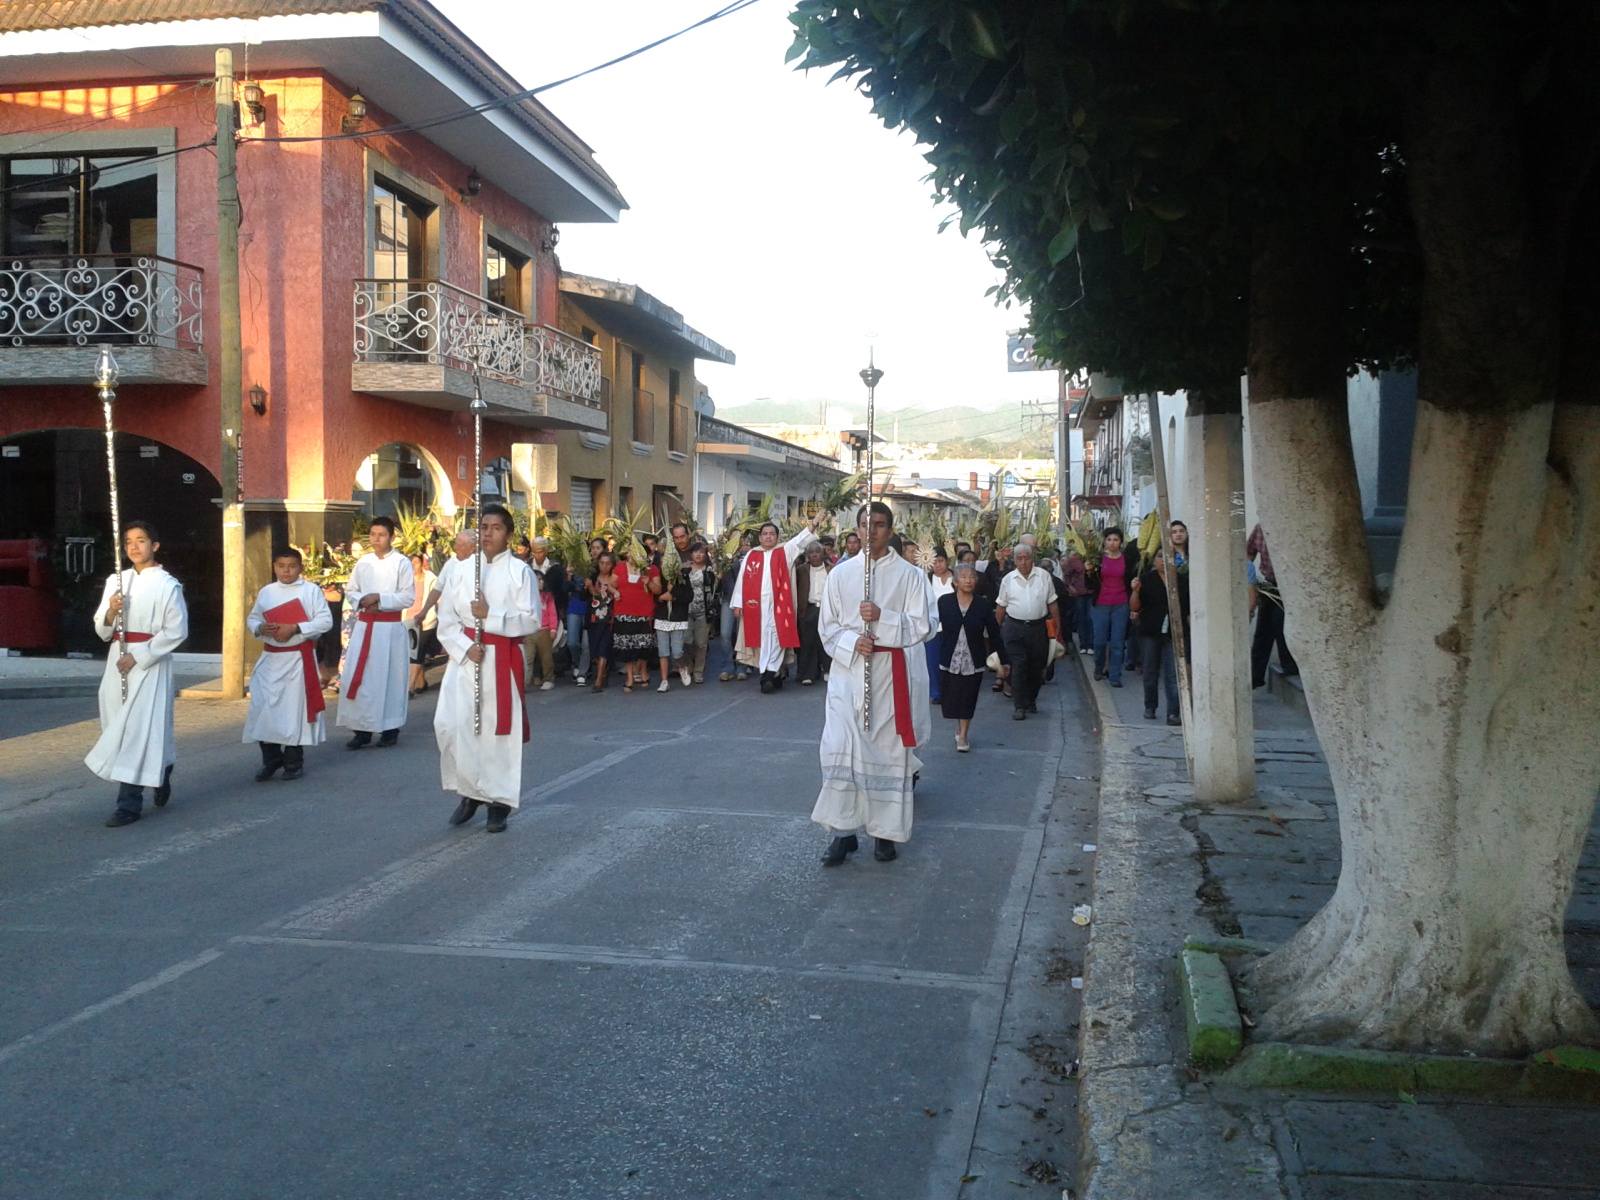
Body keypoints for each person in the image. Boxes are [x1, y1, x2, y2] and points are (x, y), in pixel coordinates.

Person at [812, 503, 937, 865]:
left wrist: (883, 618)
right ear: (857, 530)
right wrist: (854, 642)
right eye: (866, 525)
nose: (872, 531)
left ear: (890, 530)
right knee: (840, 748)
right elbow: (828, 627)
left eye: (880, 525)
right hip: (847, 675)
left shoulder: (911, 576)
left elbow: (924, 625)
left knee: (885, 754)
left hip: (889, 675)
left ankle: (884, 833)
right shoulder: (841, 574)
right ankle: (843, 832)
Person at [435, 503, 540, 834]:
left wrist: (490, 616)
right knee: (453, 726)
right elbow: (446, 617)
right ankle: (469, 792)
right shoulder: (462, 569)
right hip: (466, 657)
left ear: (509, 535)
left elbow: (532, 620)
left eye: (496, 528)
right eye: (483, 527)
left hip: (501, 657)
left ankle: (498, 802)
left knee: (496, 732)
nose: (488, 533)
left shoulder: (520, 572)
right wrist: (464, 647)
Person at [88, 521, 189, 827]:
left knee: (136, 730)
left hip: (149, 663)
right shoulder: (116, 581)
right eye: (129, 541)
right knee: (120, 725)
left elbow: (177, 630)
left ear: (154, 546)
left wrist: (139, 655)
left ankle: (128, 805)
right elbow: (102, 629)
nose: (134, 546)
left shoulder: (168, 585)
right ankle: (161, 770)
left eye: (141, 540)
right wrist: (111, 612)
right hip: (117, 659)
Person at [245, 547, 335, 781]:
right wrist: (260, 627)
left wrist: (295, 628)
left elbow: (325, 621)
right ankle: (271, 759)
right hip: (271, 659)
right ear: (274, 567)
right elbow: (253, 618)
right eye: (281, 566)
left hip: (297, 660)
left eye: (292, 566)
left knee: (294, 712)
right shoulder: (267, 592)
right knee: (264, 708)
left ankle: (293, 762)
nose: (286, 571)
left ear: (300, 567)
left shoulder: (311, 590)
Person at [337, 515, 414, 748]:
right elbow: (351, 590)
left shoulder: (402, 563)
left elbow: (407, 597)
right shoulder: (363, 562)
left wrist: (379, 598)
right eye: (372, 534)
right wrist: (363, 600)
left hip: (389, 631)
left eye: (381, 535)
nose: (376, 539)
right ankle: (362, 730)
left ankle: (390, 729)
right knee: (362, 678)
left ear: (392, 537)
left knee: (389, 678)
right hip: (364, 627)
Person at [737, 514, 823, 693]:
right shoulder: (752, 555)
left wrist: (814, 522)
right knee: (762, 638)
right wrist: (738, 603)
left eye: (772, 534)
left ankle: (768, 674)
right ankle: (773, 674)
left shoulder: (784, 551)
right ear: (760, 537)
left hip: (779, 603)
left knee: (777, 637)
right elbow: (742, 580)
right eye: (765, 534)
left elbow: (801, 539)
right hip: (756, 605)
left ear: (777, 537)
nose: (768, 537)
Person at [938, 563, 1009, 752]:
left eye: (971, 577)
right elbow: (932, 626)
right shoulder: (944, 602)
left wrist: (1004, 660)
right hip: (950, 658)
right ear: (955, 581)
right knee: (953, 697)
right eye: (963, 577)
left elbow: (994, 633)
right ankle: (959, 725)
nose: (968, 580)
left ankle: (963, 735)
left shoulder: (982, 605)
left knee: (968, 697)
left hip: (973, 659)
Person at [995, 544, 1064, 720]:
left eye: (1026, 558)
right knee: (1019, 665)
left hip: (1038, 628)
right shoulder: (1008, 579)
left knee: (1036, 667)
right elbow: (1001, 606)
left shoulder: (1044, 576)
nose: (1023, 562)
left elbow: (1052, 603)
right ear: (1014, 561)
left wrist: (1057, 626)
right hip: (1014, 628)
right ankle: (1019, 705)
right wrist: (995, 630)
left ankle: (1031, 699)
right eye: (1019, 559)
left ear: (1032, 559)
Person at [1130, 550, 1188, 725]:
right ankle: (1150, 706)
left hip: (1174, 632)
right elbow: (1135, 607)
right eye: (1160, 556)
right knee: (1150, 671)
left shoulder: (1182, 581)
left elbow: (1187, 608)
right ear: (1155, 560)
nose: (1164, 560)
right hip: (1150, 631)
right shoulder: (1146, 580)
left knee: (1172, 674)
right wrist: (1135, 591)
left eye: (1168, 556)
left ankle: (1173, 712)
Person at [1247, 523, 1299, 688]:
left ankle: (1290, 666)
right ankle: (1255, 675)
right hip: (1270, 584)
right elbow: (1249, 552)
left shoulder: (1292, 527)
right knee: (1262, 630)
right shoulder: (1260, 528)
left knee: (1279, 625)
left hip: (1290, 585)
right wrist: (1247, 578)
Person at [1089, 527, 1138, 688]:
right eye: (1109, 539)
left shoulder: (1127, 559)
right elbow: (1089, 583)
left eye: (1116, 540)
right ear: (1104, 541)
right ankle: (1099, 666)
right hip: (1101, 604)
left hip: (1121, 603)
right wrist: (1088, 571)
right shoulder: (1097, 559)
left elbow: (1131, 578)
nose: (1112, 543)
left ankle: (1115, 675)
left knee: (1118, 642)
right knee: (1100, 641)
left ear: (1121, 542)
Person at [647, 550, 692, 691]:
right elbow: (654, 595)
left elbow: (688, 596)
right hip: (662, 617)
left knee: (677, 651)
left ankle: (682, 667)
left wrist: (674, 595)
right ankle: (664, 681)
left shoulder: (682, 576)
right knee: (663, 651)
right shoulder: (659, 578)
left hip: (677, 618)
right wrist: (661, 598)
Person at [525, 536, 565, 691]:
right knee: (529, 655)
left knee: (546, 655)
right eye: (535, 551)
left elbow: (561, 590)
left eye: (541, 551)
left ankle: (548, 677)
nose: (537, 555)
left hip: (548, 620)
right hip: (531, 625)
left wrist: (554, 627)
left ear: (547, 550)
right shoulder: (527, 566)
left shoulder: (555, 567)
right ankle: (529, 678)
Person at [611, 555, 657, 691]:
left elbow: (657, 590)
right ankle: (630, 678)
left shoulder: (651, 569)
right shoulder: (620, 568)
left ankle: (643, 672)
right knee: (627, 647)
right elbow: (611, 585)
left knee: (643, 646)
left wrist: (648, 582)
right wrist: (615, 591)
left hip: (644, 613)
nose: (631, 555)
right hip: (623, 612)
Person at [569, 536, 607, 686]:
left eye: (598, 548)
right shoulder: (586, 568)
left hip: (604, 611)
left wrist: (591, 588)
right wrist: (584, 586)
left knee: (597, 645)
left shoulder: (608, 569)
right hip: (589, 610)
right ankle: (583, 671)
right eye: (593, 548)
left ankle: (599, 673)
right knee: (583, 643)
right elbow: (582, 595)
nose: (594, 551)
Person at [794, 540, 831, 685]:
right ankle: (807, 674)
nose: (815, 555)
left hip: (826, 609)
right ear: (807, 555)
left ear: (823, 554)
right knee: (807, 641)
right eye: (811, 552)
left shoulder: (831, 569)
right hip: (808, 608)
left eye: (817, 552)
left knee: (826, 640)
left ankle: (828, 670)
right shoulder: (801, 570)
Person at [717, 534, 752, 682]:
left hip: (743, 600)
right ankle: (727, 665)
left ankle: (742, 666)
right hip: (727, 599)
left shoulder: (746, 556)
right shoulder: (722, 556)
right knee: (725, 634)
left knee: (740, 634)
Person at [586, 550, 620, 692]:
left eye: (608, 564)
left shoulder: (615, 579)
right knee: (594, 651)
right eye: (602, 563)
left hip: (609, 620)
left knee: (603, 650)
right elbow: (586, 596)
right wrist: (588, 587)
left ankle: (598, 680)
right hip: (593, 619)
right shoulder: (593, 578)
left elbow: (608, 595)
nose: (604, 566)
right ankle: (603, 672)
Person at [405, 551, 438, 697]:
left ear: (421, 563)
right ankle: (421, 682)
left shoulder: (430, 578)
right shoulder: (405, 580)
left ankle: (410, 686)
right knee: (412, 651)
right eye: (410, 564)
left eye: (416, 563)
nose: (413, 566)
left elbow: (436, 597)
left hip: (425, 620)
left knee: (417, 651)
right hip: (407, 619)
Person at [683, 542, 718, 683]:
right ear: (691, 554)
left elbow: (717, 589)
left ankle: (698, 671)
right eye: (696, 552)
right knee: (687, 640)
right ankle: (689, 665)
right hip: (686, 610)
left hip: (704, 611)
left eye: (702, 552)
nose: (698, 555)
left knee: (701, 643)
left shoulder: (710, 570)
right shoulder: (684, 569)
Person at [926, 552, 955, 702]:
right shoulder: (927, 579)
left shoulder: (956, 578)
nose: (938, 565)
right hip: (933, 627)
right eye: (934, 562)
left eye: (941, 561)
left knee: (951, 659)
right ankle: (937, 692)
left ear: (947, 561)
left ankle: (952, 690)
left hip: (953, 626)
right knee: (933, 661)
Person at [1063, 548, 1091, 652]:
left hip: (1091, 592)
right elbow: (1067, 576)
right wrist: (1071, 587)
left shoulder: (1093, 558)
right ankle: (1083, 644)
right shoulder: (1074, 561)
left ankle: (1090, 644)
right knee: (1081, 618)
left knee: (1090, 618)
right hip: (1079, 592)